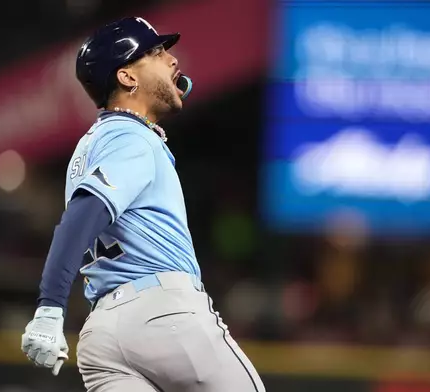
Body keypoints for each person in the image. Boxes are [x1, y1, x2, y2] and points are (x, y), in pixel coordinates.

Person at [20, 16, 265, 392]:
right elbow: (80, 218)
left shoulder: (90, 147)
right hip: (163, 315)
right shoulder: (131, 138)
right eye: (154, 52)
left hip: (102, 337)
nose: (170, 59)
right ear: (127, 78)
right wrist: (50, 304)